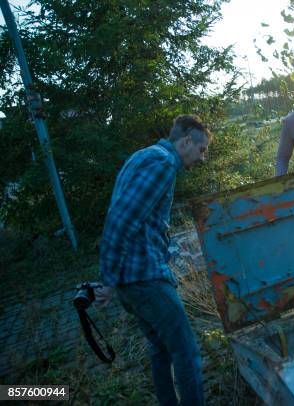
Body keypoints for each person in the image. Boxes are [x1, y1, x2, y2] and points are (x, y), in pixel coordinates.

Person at [95, 114, 211, 406]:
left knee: (160, 349)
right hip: (144, 279)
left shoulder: (144, 155)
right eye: (201, 150)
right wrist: (107, 280)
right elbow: (120, 220)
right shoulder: (163, 164)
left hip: (131, 280)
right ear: (186, 141)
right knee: (187, 352)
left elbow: (140, 220)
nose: (202, 158)